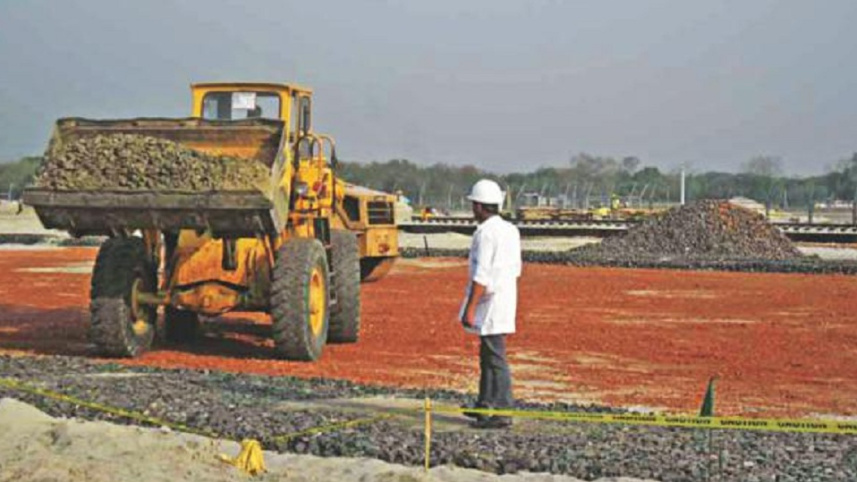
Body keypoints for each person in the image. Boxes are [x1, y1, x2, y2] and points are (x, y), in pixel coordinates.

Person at [459, 179, 522, 429]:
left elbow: (482, 273)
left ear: (479, 206)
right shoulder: (510, 230)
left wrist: (470, 308)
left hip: (491, 300)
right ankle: (484, 404)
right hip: (504, 295)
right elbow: (515, 268)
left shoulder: (485, 233)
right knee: (488, 353)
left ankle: (503, 410)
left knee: (495, 356)